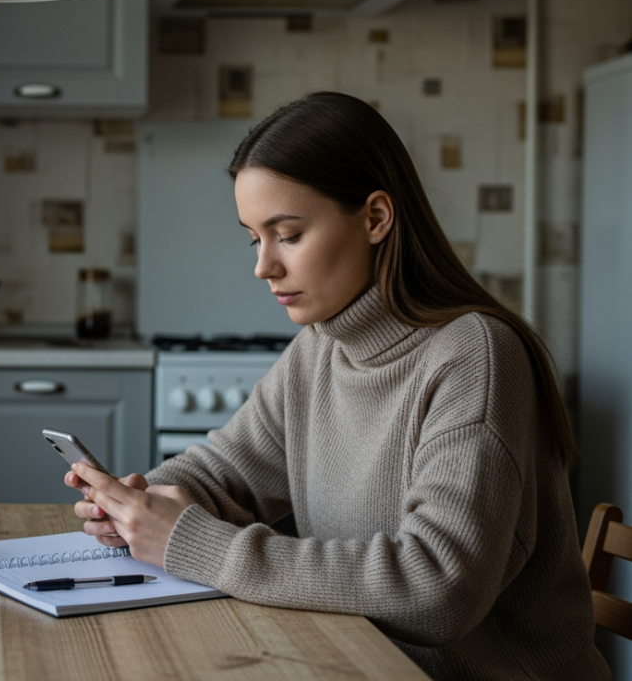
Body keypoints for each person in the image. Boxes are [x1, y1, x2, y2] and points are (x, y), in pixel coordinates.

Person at [66, 91, 610, 680]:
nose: (263, 266)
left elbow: (435, 590)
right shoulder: (320, 349)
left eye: (289, 234)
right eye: (255, 237)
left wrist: (195, 544)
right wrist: (139, 504)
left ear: (376, 218)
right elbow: (229, 471)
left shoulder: (475, 355)